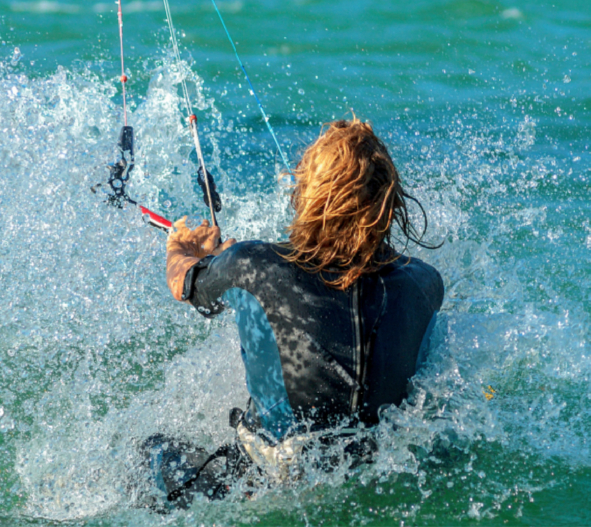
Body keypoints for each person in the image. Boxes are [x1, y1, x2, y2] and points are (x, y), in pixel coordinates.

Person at [145, 118, 444, 507]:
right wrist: (238, 264)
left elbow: (183, 284)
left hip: (269, 478)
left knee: (151, 450)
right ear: (388, 203)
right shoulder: (424, 283)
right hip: (374, 468)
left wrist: (182, 249)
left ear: (310, 195)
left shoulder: (252, 266)